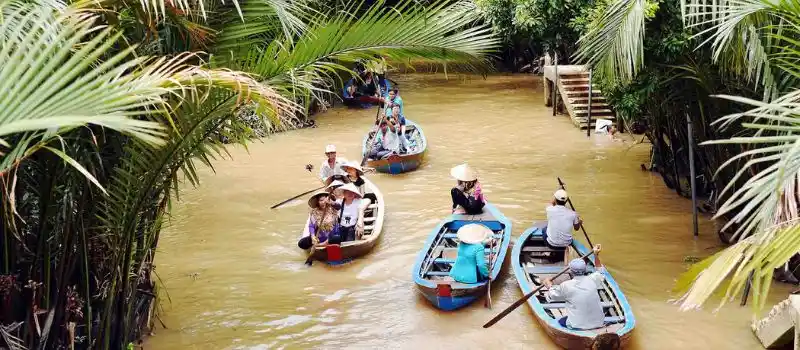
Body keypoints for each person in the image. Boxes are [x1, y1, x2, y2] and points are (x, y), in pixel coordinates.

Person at [543, 244, 607, 330]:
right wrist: (595, 254)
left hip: (577, 326)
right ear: (585, 270)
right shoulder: (593, 279)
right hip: (599, 323)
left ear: (571, 271)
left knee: (559, 323)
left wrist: (549, 286)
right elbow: (601, 271)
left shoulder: (566, 285)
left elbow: (552, 296)